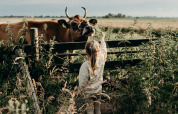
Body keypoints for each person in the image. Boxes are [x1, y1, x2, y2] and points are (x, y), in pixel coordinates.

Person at [78, 32, 107, 114]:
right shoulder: (102, 58)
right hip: (98, 90)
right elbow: (104, 49)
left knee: (90, 110)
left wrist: (80, 91)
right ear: (98, 50)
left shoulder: (85, 65)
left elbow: (82, 83)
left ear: (86, 52)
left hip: (88, 93)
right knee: (98, 109)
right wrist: (102, 38)